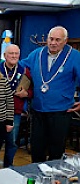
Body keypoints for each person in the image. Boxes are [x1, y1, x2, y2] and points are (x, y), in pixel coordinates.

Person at [21, 26, 80, 162]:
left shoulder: (75, 56)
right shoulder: (37, 53)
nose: (53, 43)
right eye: (51, 39)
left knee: (56, 149)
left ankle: (54, 179)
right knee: (36, 148)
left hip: (61, 111)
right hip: (38, 109)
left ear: (65, 41)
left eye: (57, 40)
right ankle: (36, 178)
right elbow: (20, 66)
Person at [0, 44, 33, 167]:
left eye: (16, 54)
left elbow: (33, 90)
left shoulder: (24, 70)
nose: (14, 56)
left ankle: (8, 166)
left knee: (12, 142)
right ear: (5, 55)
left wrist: (26, 93)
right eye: (11, 53)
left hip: (15, 112)